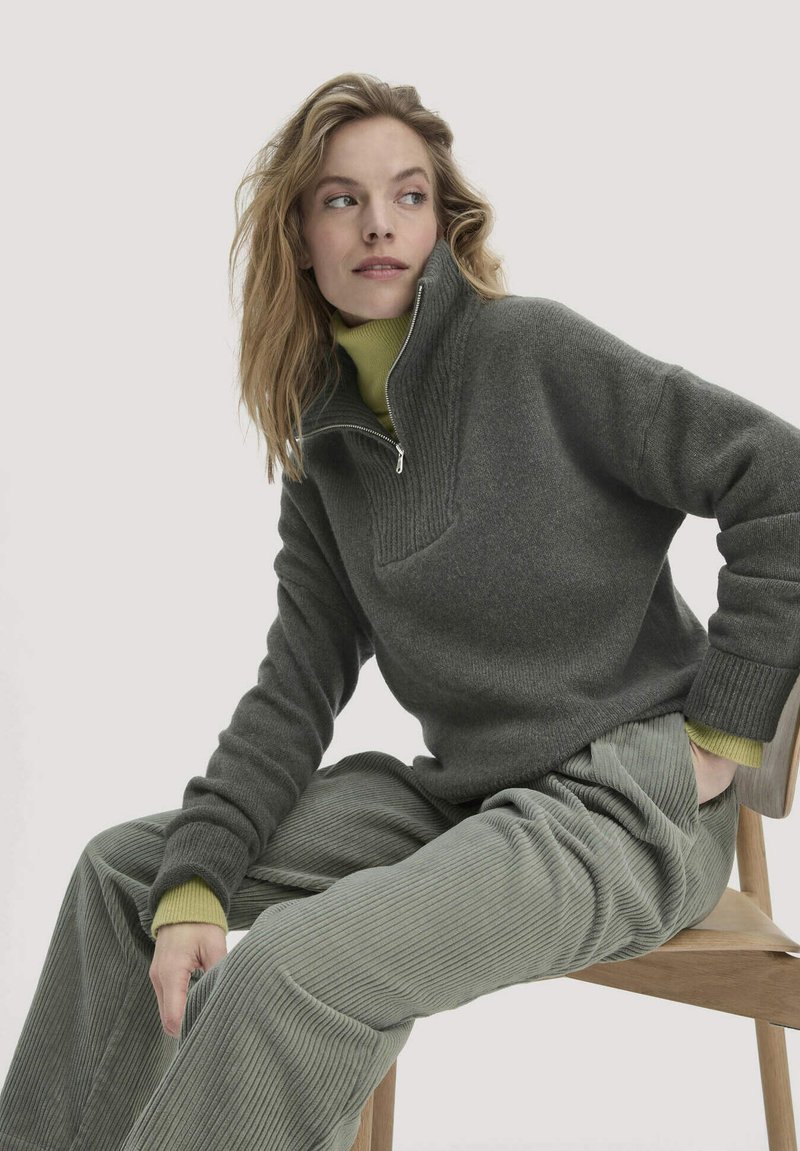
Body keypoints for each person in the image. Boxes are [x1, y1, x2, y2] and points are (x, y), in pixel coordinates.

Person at [2, 71, 798, 1151]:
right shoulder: (325, 447)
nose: (378, 223)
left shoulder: (533, 352)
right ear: (300, 235)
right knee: (129, 877)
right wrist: (198, 874)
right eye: (343, 199)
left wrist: (719, 738)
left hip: (622, 808)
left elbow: (777, 476)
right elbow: (296, 682)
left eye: (407, 195)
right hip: (468, 796)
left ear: (440, 220)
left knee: (291, 970)